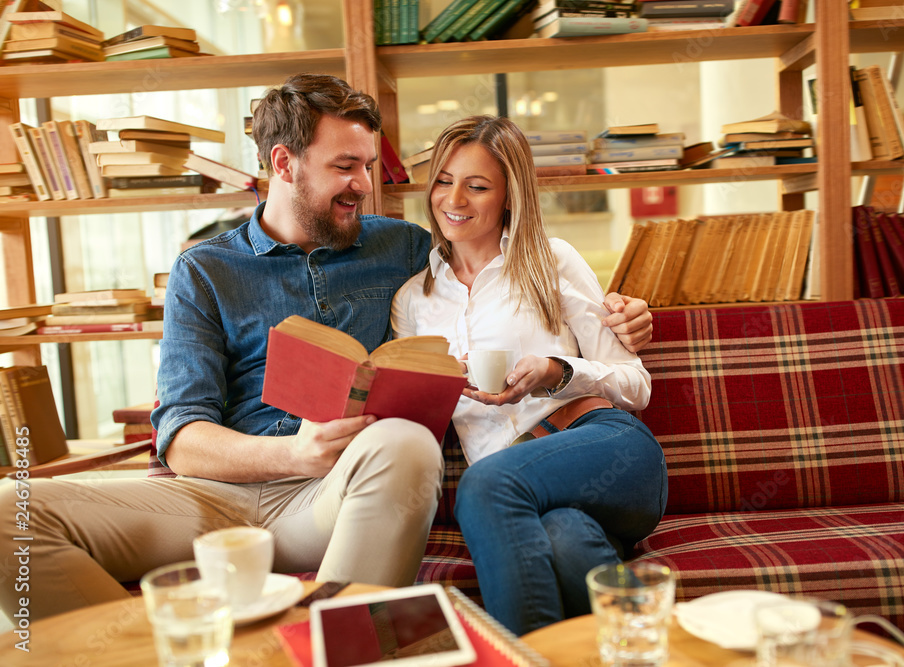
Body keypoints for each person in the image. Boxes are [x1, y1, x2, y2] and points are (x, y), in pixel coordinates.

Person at [0, 74, 652, 622]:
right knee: (9, 511)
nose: (364, 185)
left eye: (368, 166)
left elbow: (506, 263)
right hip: (214, 498)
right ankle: (139, 654)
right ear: (284, 164)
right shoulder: (205, 270)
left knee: (406, 442)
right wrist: (289, 451)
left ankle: (337, 644)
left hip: (338, 494)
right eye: (345, 167)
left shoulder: (401, 251)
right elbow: (181, 435)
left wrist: (623, 312)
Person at [391, 115, 668, 636]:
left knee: (484, 486)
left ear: (509, 197)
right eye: (444, 181)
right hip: (528, 495)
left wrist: (557, 371)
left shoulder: (550, 260)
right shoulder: (414, 300)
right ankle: (633, 644)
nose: (455, 199)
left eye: (477, 186)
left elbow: (637, 383)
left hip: (605, 444)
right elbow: (419, 424)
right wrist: (427, 387)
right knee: (565, 539)